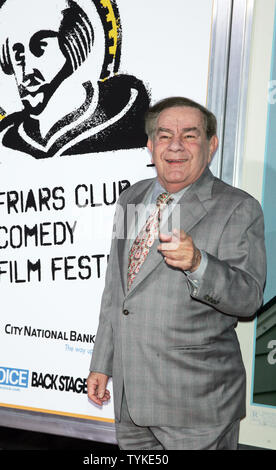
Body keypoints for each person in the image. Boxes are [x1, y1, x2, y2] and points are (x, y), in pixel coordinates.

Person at [87, 96, 266, 450]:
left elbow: (248, 299)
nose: (176, 146)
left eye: (190, 135)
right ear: (151, 145)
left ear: (211, 145)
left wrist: (199, 263)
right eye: (165, 136)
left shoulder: (239, 208)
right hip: (131, 401)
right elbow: (116, 291)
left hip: (197, 406)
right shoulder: (131, 199)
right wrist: (102, 363)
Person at [0, 0, 149, 164]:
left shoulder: (121, 108)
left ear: (73, 46)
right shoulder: (5, 142)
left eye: (39, 50)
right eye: (18, 57)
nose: (27, 72)